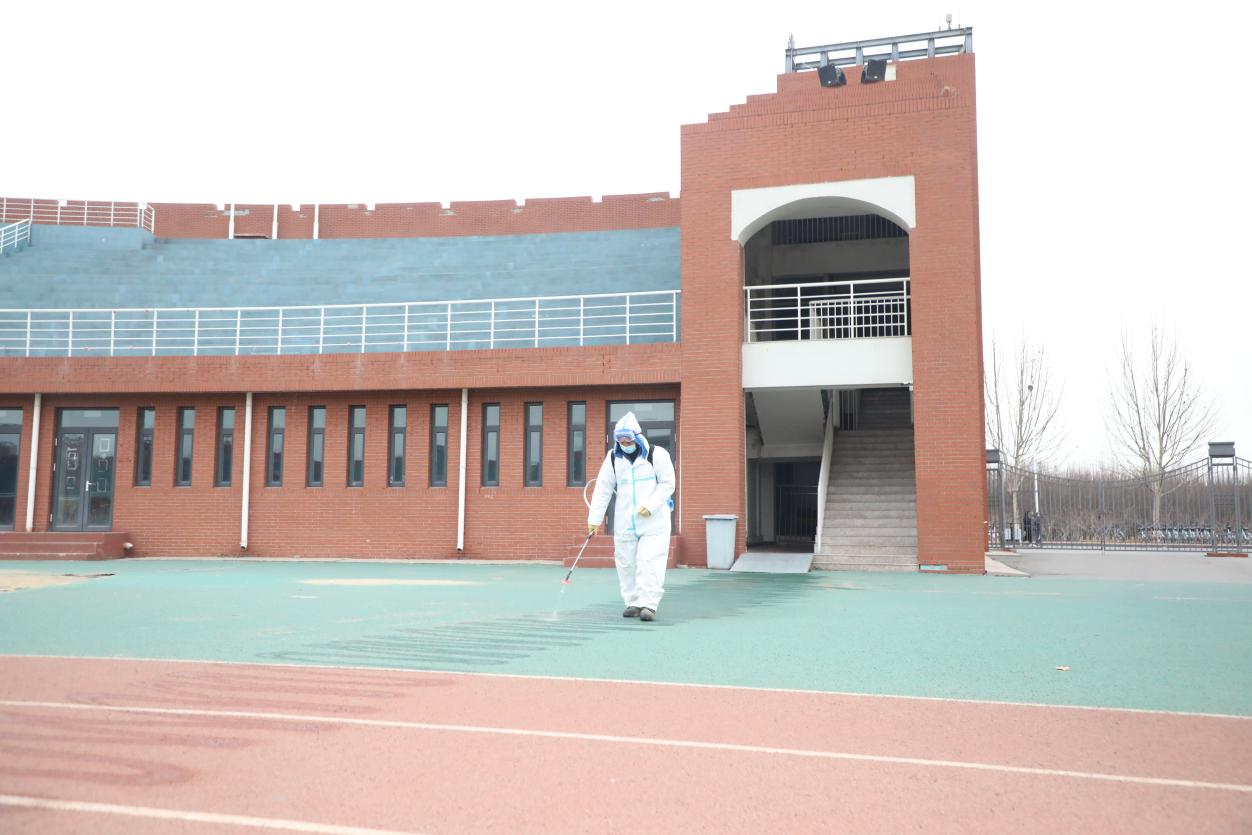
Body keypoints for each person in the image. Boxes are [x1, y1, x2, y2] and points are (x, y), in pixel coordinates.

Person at [587, 412, 676, 622]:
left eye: (628, 440)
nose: (625, 444)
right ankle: (633, 602)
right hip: (625, 520)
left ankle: (649, 605)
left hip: (654, 521)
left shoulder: (657, 454)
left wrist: (650, 505)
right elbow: (603, 489)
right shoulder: (613, 458)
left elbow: (668, 483)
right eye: (621, 440)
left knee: (649, 561)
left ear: (637, 436)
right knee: (626, 563)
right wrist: (594, 520)